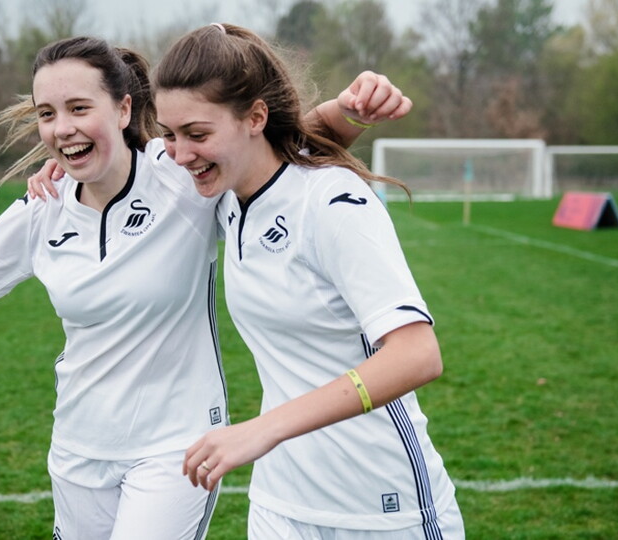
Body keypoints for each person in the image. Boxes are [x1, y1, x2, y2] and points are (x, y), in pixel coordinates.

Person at [0, 34, 410, 540]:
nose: (62, 128)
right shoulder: (40, 208)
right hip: (78, 448)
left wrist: (350, 109)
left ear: (122, 110)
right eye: (47, 114)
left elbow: (258, 144)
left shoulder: (181, 176)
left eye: (78, 108)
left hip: (176, 448)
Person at [152, 23, 465, 539]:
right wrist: (50, 178)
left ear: (255, 118)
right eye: (169, 134)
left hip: (382, 509)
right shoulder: (224, 195)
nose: (180, 154)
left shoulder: (331, 201)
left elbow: (418, 355)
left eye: (197, 134)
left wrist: (263, 430)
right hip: (280, 506)